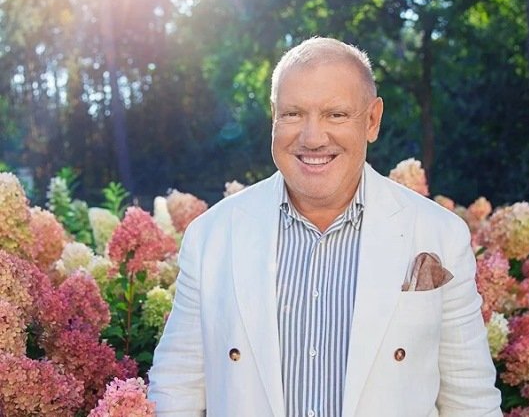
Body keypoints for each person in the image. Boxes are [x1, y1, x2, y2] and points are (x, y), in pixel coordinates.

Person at [148, 37, 502, 416]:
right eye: (293, 114)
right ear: (274, 117)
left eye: (335, 114)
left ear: (372, 120)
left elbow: (471, 401)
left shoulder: (440, 235)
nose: (313, 138)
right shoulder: (211, 238)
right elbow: (176, 391)